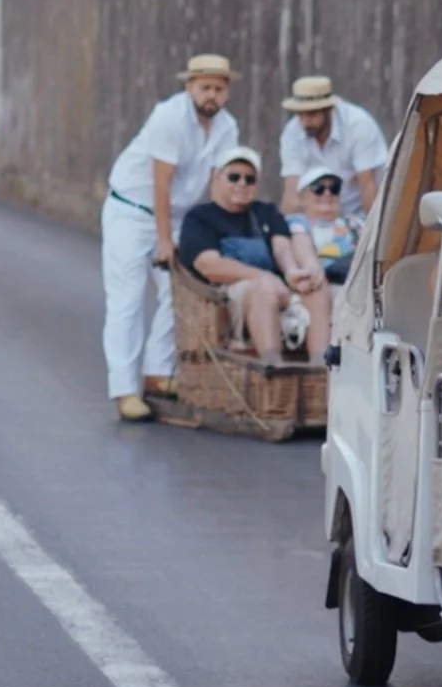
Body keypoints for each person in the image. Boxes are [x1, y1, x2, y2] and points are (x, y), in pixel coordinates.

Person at [102, 52, 239, 422]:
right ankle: (124, 390)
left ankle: (158, 374)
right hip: (132, 210)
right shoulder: (169, 116)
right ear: (189, 87)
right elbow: (160, 183)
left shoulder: (227, 127)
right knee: (127, 299)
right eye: (205, 87)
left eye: (218, 89)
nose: (211, 95)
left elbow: (219, 182)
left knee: (179, 292)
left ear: (227, 92)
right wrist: (164, 240)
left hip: (177, 214)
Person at [179, 148, 331, 364]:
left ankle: (320, 365)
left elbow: (281, 247)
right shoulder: (200, 217)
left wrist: (292, 272)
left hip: (278, 286)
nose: (242, 183)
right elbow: (209, 265)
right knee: (263, 288)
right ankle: (273, 364)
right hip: (224, 296)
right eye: (234, 177)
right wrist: (262, 277)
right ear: (216, 178)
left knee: (314, 286)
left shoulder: (265, 212)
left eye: (249, 179)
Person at [278, 74, 388, 222]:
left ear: (328, 109)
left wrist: (372, 229)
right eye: (300, 114)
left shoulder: (358, 126)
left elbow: (368, 186)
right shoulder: (292, 131)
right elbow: (292, 191)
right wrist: (286, 227)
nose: (305, 121)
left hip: (360, 215)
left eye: (311, 114)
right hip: (315, 220)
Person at [286, 165, 360, 285]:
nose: (327, 193)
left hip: (358, 279)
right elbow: (301, 245)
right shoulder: (297, 223)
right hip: (323, 281)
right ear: (302, 197)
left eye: (334, 188)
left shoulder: (353, 222)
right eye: (318, 188)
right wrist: (312, 269)